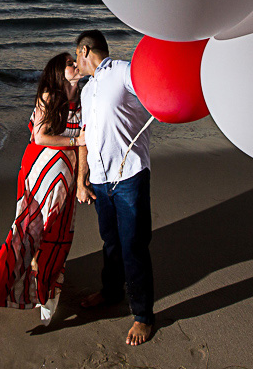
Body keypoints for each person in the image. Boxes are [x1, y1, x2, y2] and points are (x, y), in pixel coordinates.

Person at [0, 53, 85, 326]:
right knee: (27, 235)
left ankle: (45, 294)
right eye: (69, 63)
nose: (75, 65)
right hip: (40, 178)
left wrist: (80, 178)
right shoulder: (49, 95)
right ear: (57, 70)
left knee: (57, 239)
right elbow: (40, 136)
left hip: (63, 183)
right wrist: (77, 139)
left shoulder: (83, 100)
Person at [74, 29, 155, 346]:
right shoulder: (86, 91)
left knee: (133, 244)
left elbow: (155, 96)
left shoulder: (123, 71)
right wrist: (82, 179)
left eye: (76, 55)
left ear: (85, 50)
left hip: (130, 175)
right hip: (99, 179)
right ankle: (110, 293)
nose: (75, 63)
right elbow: (84, 138)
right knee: (110, 242)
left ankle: (143, 316)